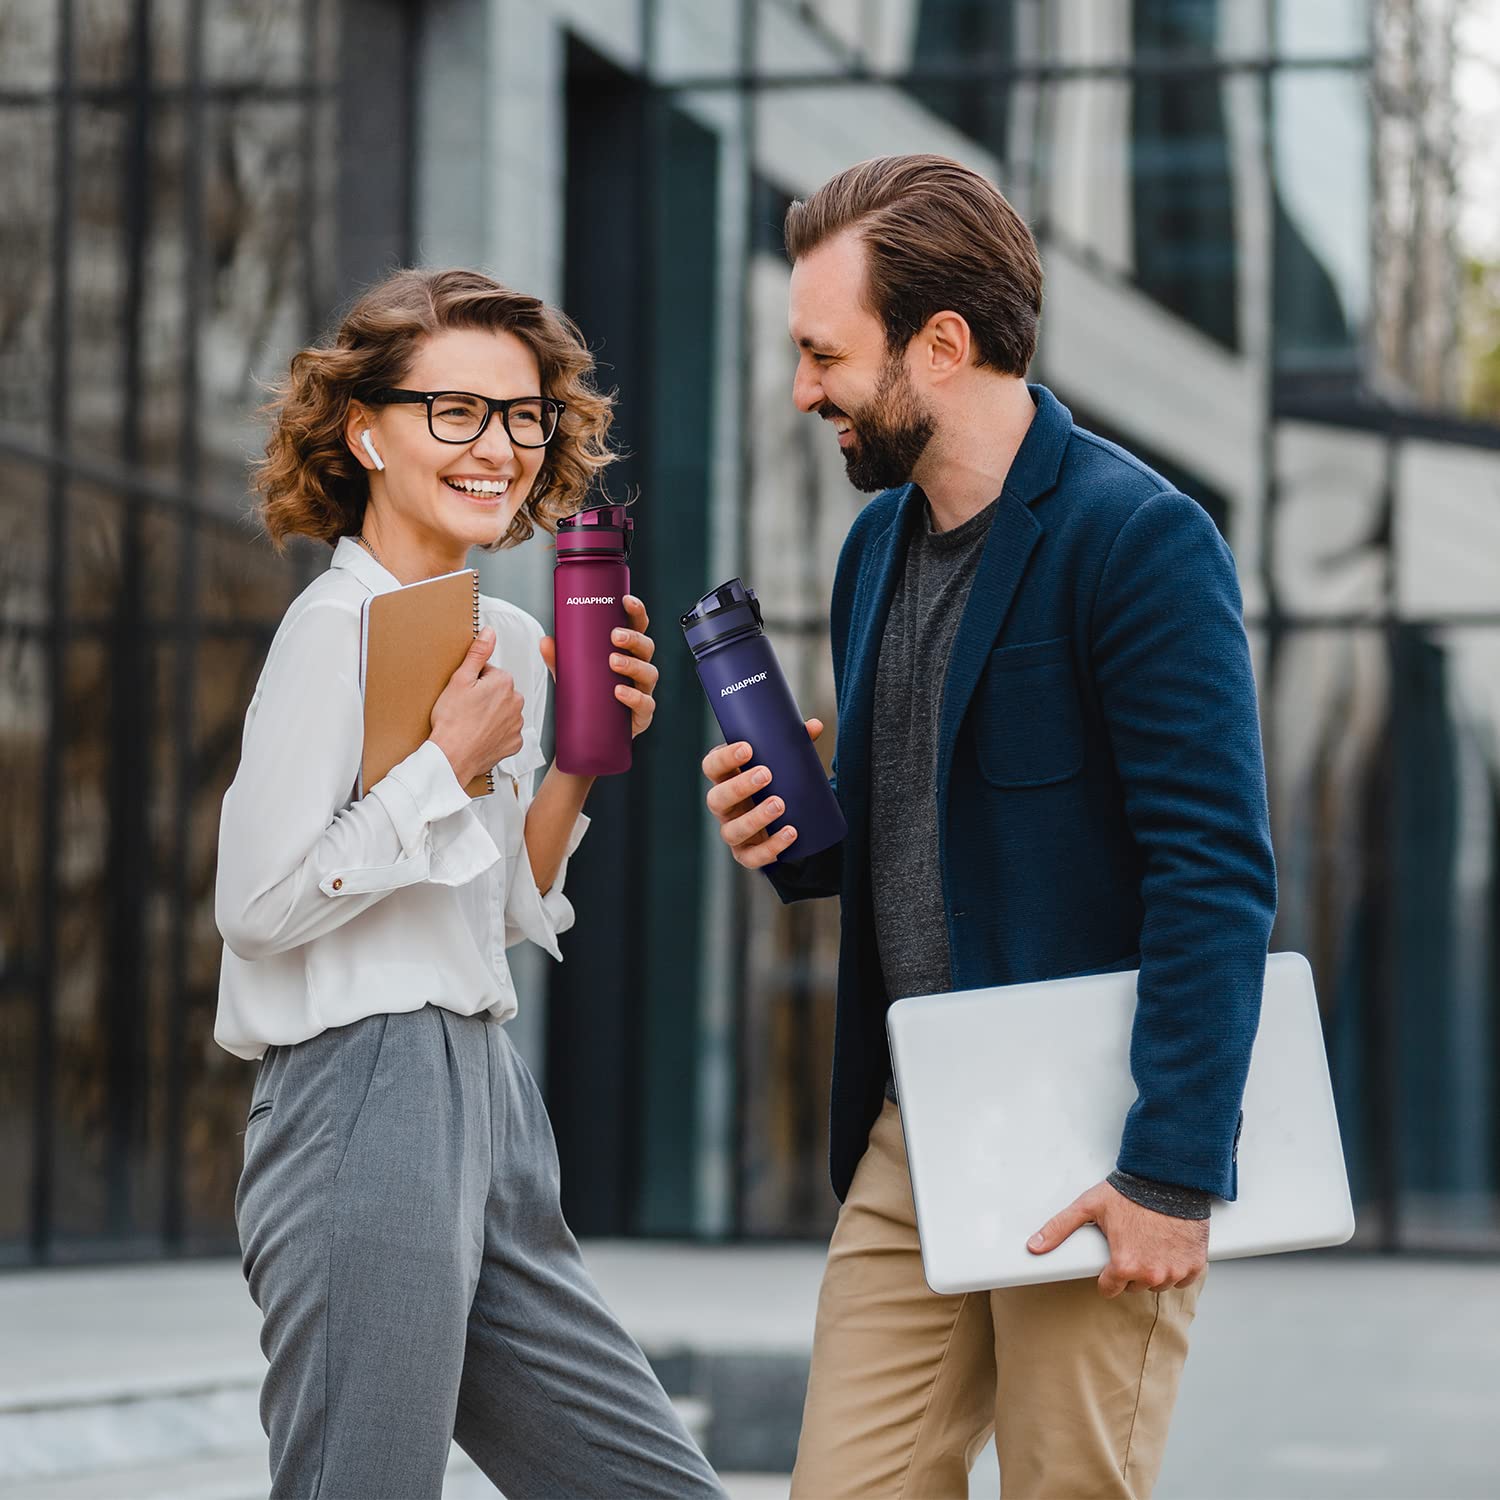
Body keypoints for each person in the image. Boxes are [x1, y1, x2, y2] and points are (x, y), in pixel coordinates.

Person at [701, 155, 1277, 1498]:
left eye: (823, 354)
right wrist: (796, 841)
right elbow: (933, 838)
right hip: (918, 1123)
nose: (802, 393)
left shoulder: (1140, 541)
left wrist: (1173, 1170)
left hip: (1096, 1132)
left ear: (941, 346)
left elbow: (1216, 871)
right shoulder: (873, 549)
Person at [215, 267, 724, 1500]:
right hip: (357, 1094)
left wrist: (581, 769)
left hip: (486, 1100)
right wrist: (444, 762)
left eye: (522, 415)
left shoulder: (500, 643)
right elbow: (257, 902)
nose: (497, 446)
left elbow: (494, 915)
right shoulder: (332, 629)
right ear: (365, 431)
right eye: (455, 411)